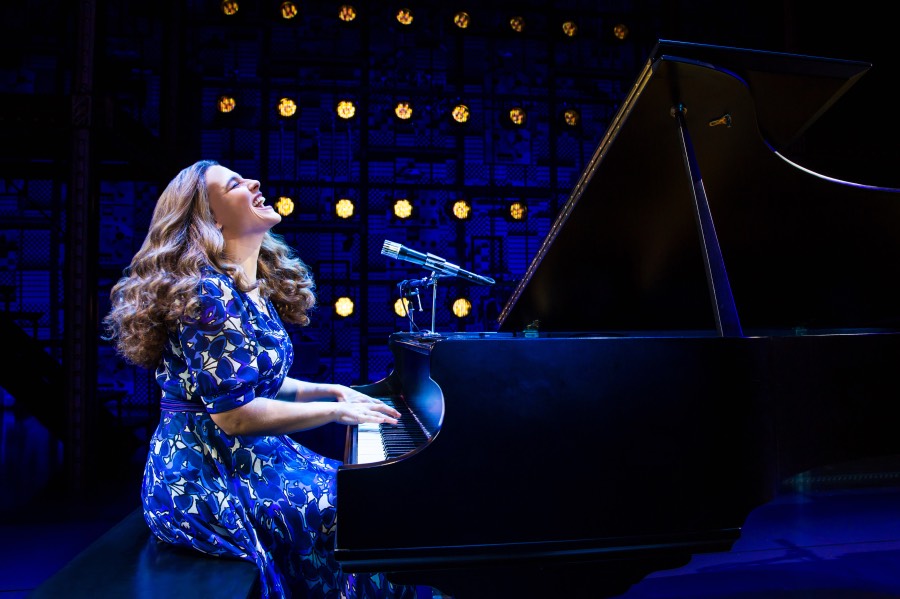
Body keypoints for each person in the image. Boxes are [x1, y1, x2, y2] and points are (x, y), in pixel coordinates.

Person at [102, 160, 421, 598]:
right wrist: (334, 411)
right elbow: (234, 415)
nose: (254, 182)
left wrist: (331, 390)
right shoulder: (206, 293)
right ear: (211, 217)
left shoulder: (245, 287)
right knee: (353, 510)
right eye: (234, 183)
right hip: (206, 472)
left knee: (370, 499)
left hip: (251, 458)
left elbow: (264, 383)